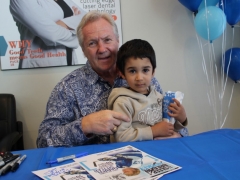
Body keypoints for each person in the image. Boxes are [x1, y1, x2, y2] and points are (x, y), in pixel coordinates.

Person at [36, 11, 187, 148]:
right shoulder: (66, 88)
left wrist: (178, 135)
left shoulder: (144, 78)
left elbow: (169, 123)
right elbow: (43, 141)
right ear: (83, 50)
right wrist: (85, 125)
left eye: (107, 40)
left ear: (117, 41)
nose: (102, 49)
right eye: (92, 43)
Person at [108, 39, 188, 142]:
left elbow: (167, 129)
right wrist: (153, 131)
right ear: (123, 74)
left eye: (145, 70)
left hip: (158, 152)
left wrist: (182, 119)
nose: (139, 77)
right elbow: (121, 137)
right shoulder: (123, 102)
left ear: (153, 71)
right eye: (132, 71)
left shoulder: (159, 97)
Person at [9, 0, 86, 69]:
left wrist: (61, 24)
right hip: (40, 68)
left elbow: (86, 20)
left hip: (69, 62)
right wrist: (76, 36)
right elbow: (52, 35)